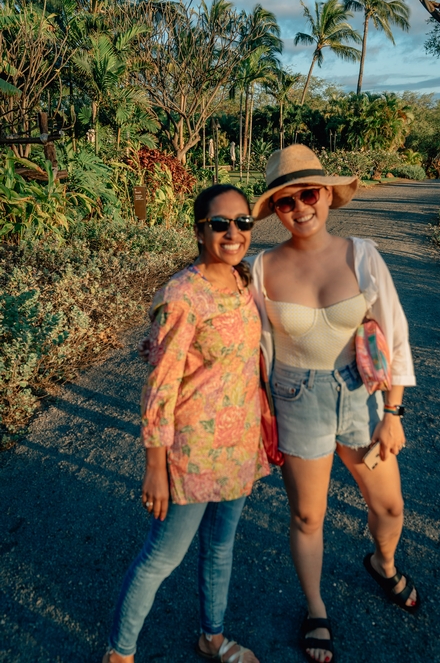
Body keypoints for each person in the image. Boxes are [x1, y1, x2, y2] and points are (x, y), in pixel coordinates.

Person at [249, 145, 419, 663]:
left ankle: (383, 563)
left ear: (327, 194)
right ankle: (316, 608)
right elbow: (246, 340)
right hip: (295, 397)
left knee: (389, 506)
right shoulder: (262, 267)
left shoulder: (361, 253)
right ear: (275, 210)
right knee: (307, 517)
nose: (300, 208)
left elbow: (395, 331)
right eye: (285, 201)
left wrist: (392, 413)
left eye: (309, 193)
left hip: (359, 397)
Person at [103, 184, 269, 663]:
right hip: (191, 453)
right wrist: (155, 465)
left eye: (242, 222)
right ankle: (120, 653)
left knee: (221, 548)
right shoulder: (182, 296)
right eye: (220, 223)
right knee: (162, 557)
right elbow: (160, 384)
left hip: (238, 446)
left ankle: (212, 638)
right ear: (200, 231)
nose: (233, 232)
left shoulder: (246, 282)